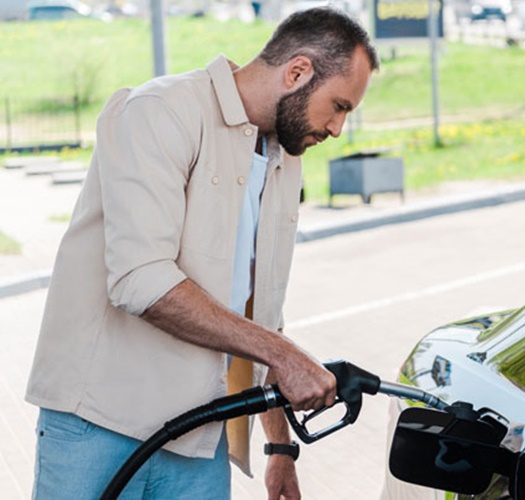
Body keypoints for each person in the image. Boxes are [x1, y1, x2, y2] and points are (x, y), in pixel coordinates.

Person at [24, 7, 379, 499]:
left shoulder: (283, 157)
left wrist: (280, 449)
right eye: (339, 106)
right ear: (297, 72)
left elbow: (260, 314)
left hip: (200, 440)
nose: (338, 128)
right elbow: (140, 280)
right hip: (99, 427)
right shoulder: (158, 112)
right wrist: (285, 355)